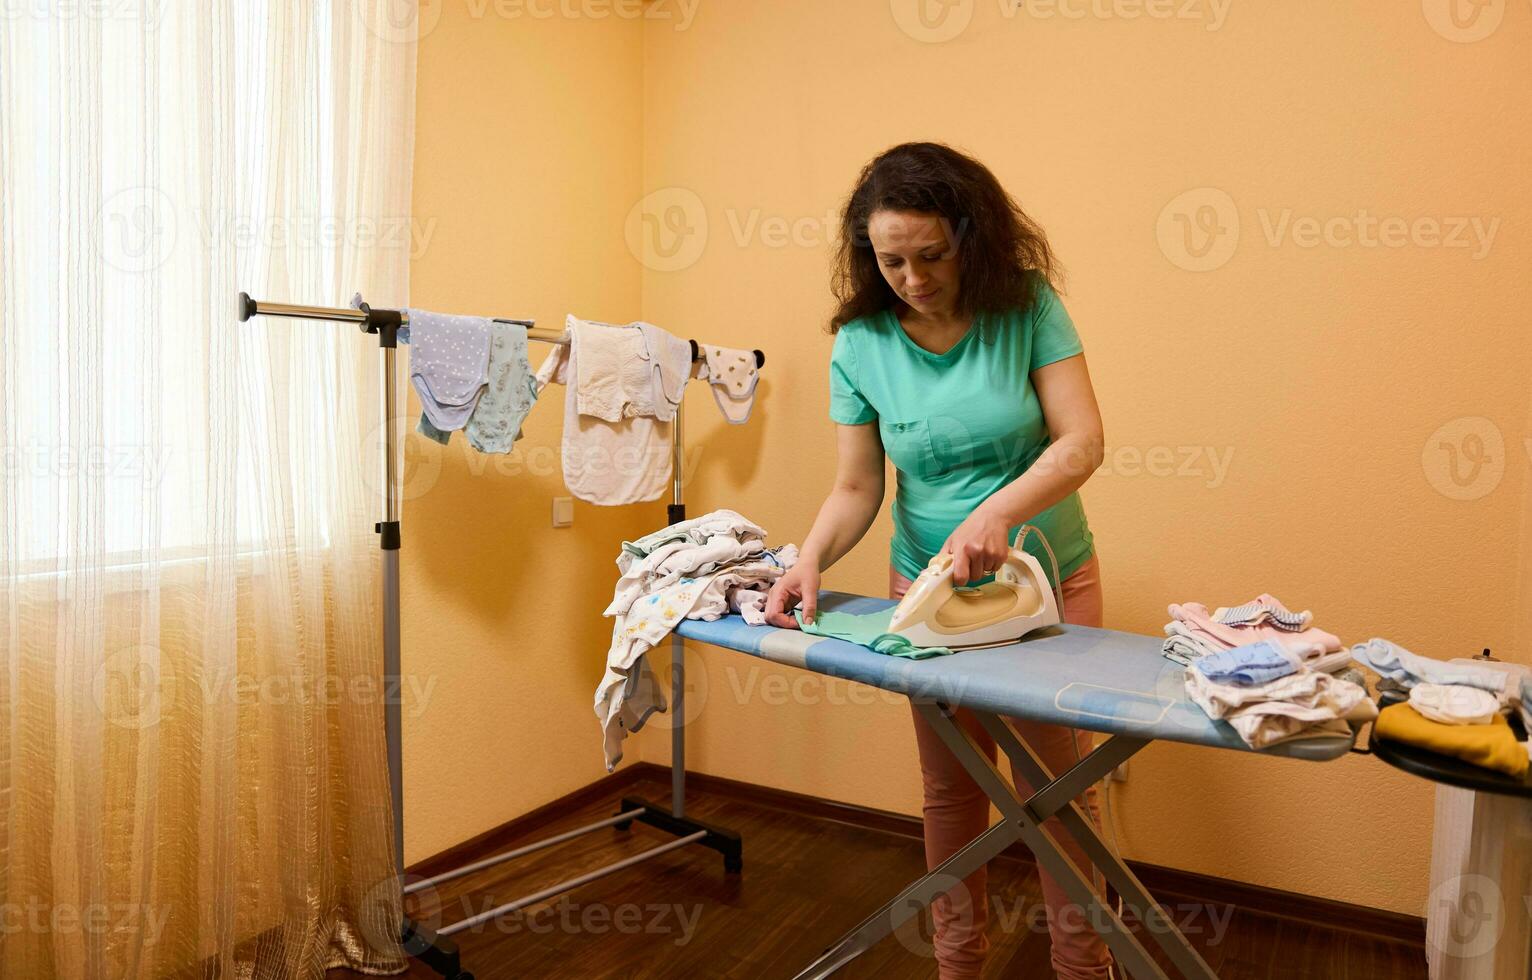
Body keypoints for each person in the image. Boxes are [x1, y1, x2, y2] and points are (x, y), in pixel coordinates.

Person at [763, 141, 1114, 980]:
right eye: (892, 262)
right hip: (926, 588)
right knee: (955, 791)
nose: (914, 278)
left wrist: (996, 513)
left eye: (931, 256)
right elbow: (856, 487)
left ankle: (1084, 967)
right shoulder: (861, 345)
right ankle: (958, 967)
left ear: (971, 236)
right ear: (867, 256)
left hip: (1048, 579)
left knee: (1060, 791)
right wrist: (808, 556)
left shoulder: (1025, 306)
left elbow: (1082, 440)